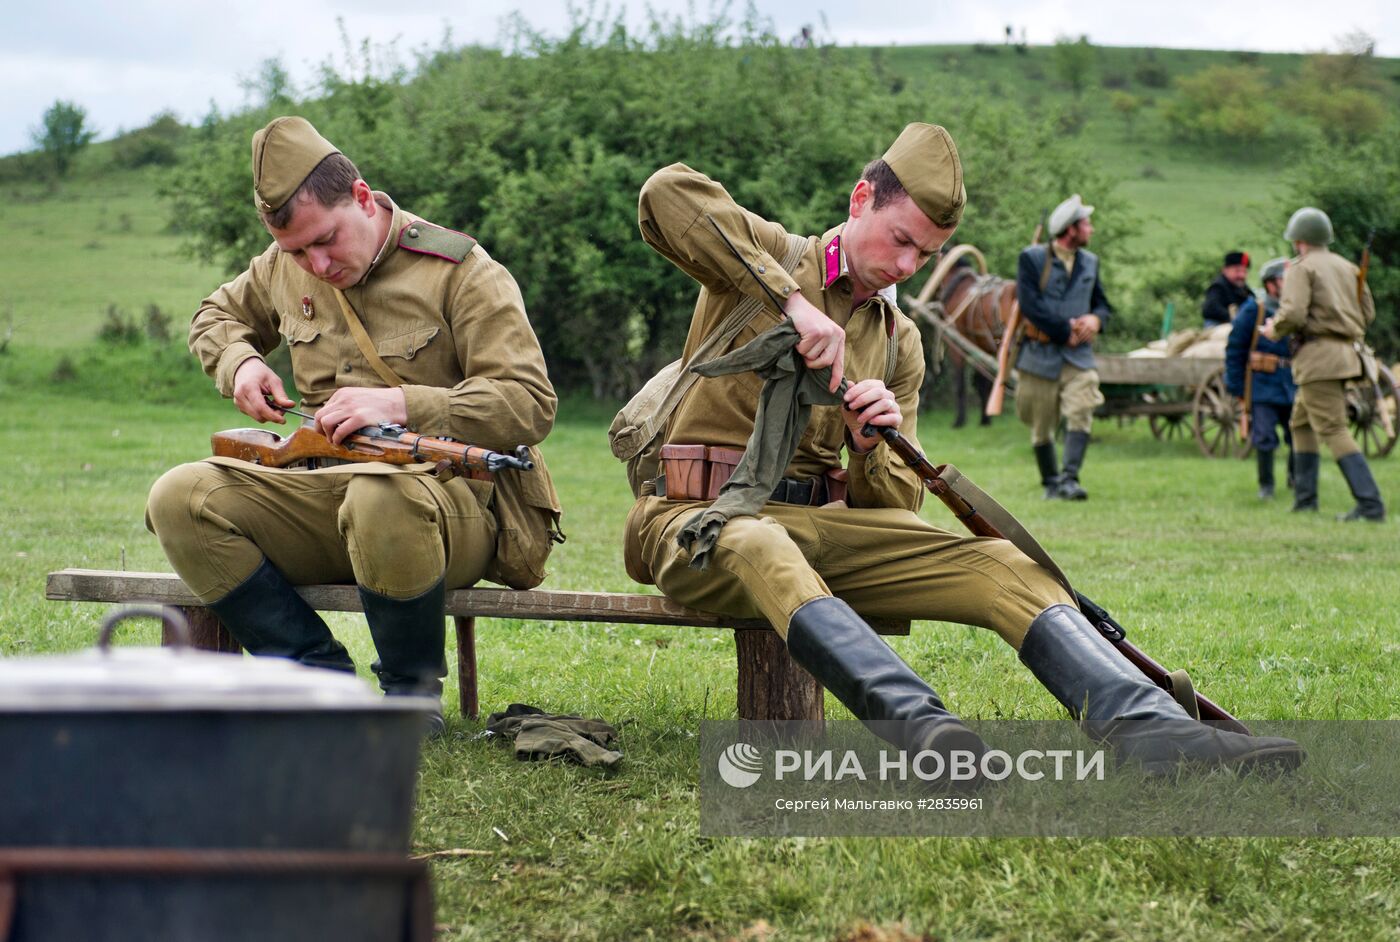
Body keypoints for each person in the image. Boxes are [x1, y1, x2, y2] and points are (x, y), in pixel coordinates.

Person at [627, 124, 1301, 779]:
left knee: (1006, 563)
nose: (905, 267)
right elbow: (665, 193)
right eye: (899, 240)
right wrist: (794, 305)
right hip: (696, 522)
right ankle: (930, 734)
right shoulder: (771, 256)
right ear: (862, 200)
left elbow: (894, 504)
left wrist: (870, 446)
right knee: (762, 542)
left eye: (923, 254)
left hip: (825, 528)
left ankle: (1156, 735)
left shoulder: (899, 342)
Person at [146, 116, 561, 732]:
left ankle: (410, 697)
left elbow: (528, 401)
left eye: (327, 239)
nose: (316, 263)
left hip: (447, 506)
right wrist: (240, 364)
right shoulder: (283, 266)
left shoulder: (459, 270)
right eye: (297, 251)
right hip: (320, 491)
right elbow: (215, 316)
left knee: (379, 494)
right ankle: (315, 682)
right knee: (180, 497)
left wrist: (400, 404)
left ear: (363, 197)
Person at [1262, 207, 1385, 522]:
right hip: (1347, 354)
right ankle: (1305, 501)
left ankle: (1370, 505)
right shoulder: (1348, 267)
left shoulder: (1302, 269)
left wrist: (1273, 329)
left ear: (1298, 239)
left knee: (1332, 427)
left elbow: (1293, 314)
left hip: (1318, 358)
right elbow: (1367, 313)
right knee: (1301, 423)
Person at [1013, 194, 1110, 501]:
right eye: (1086, 224)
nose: (1091, 229)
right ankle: (1051, 483)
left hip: (1079, 358)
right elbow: (1031, 306)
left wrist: (1095, 320)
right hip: (1040, 355)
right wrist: (1063, 331)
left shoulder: (1091, 263)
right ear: (1071, 229)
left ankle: (1070, 479)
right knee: (1041, 426)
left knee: (1082, 410)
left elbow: (1102, 304)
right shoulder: (1031, 259)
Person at [1225, 258, 1296, 499]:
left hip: (1292, 382)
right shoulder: (1254, 310)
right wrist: (1236, 387)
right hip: (1263, 386)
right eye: (1283, 280)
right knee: (1264, 437)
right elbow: (1235, 349)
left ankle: (1295, 479)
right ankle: (1266, 486)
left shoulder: (1295, 310)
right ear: (1271, 284)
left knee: (1297, 434)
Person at [1203, 251, 1253, 328]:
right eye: (1237, 271)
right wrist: (1237, 318)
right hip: (1218, 328)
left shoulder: (1244, 289)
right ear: (1225, 270)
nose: (1241, 275)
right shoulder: (1218, 286)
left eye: (1244, 271)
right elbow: (1211, 309)